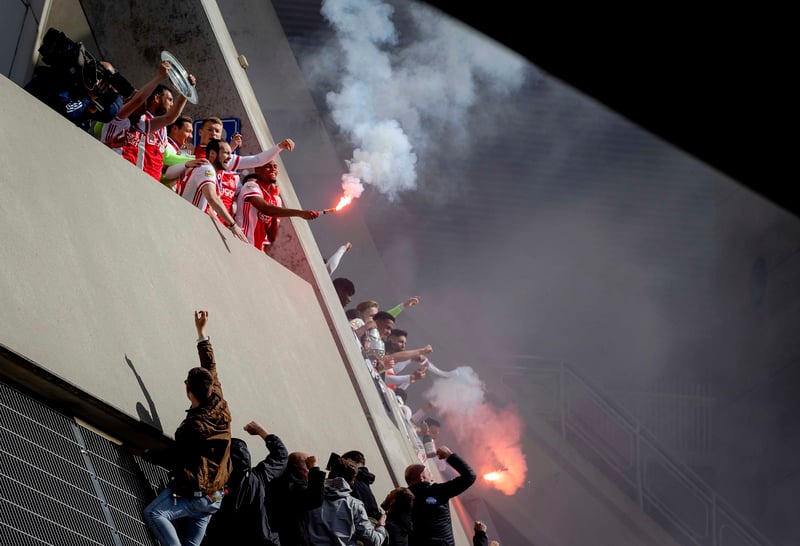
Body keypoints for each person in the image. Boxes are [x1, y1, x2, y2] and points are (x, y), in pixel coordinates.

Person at [137, 310, 232, 546]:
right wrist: (202, 333)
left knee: (155, 514)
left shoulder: (192, 429)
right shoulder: (219, 399)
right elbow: (210, 364)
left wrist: (144, 454)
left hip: (196, 495)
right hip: (217, 496)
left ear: (187, 389)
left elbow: (174, 457)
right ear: (210, 387)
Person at [201, 420, 287, 546]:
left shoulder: (220, 489)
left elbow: (205, 502)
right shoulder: (259, 477)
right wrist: (260, 431)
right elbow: (281, 456)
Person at [120, 80, 195, 181]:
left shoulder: (163, 129)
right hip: (134, 177)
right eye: (169, 100)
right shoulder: (140, 118)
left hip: (152, 184)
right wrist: (186, 92)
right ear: (157, 98)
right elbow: (170, 117)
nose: (172, 105)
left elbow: (164, 157)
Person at [405, 445, 477, 546]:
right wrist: (449, 455)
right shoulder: (435, 492)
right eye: (429, 473)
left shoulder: (402, 498)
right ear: (422, 477)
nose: (432, 477)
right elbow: (470, 476)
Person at [233, 170, 320, 252]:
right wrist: (300, 213)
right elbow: (266, 209)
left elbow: (271, 237)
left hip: (256, 250)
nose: (256, 188)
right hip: (241, 242)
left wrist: (275, 210)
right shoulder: (248, 189)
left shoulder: (273, 200)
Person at [307, 457, 387, 545]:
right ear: (352, 481)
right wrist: (380, 527)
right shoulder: (355, 505)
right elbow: (373, 540)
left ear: (330, 473)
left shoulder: (311, 493)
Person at [267, 451, 326, 546]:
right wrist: (314, 468)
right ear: (302, 466)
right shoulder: (293, 484)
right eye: (307, 465)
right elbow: (315, 498)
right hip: (292, 538)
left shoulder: (277, 481)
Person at [339, 450, 381, 521]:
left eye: (344, 461)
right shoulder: (364, 480)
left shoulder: (351, 479)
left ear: (350, 461)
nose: (343, 464)